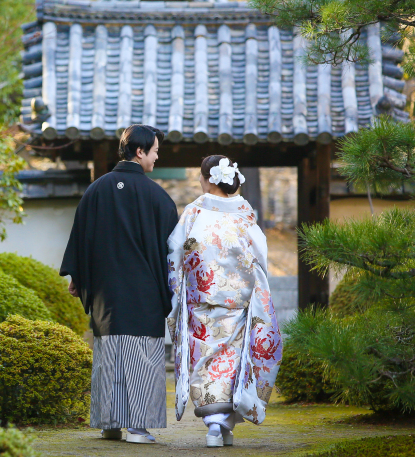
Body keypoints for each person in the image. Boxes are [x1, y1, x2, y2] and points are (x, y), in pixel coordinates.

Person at [60, 124, 179, 444]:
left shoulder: (96, 189)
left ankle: (109, 423)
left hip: (105, 292)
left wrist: (78, 278)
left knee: (108, 352)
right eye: (154, 151)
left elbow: (81, 238)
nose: (156, 157)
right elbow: (173, 251)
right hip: (144, 292)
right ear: (139, 152)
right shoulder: (159, 198)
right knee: (143, 354)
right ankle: (139, 428)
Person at [167, 155, 283, 448]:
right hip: (239, 302)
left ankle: (216, 426)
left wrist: (176, 290)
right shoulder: (245, 213)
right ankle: (223, 425)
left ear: (207, 179)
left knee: (206, 362)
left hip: (201, 302)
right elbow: (259, 256)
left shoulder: (195, 212)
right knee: (234, 364)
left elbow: (174, 251)